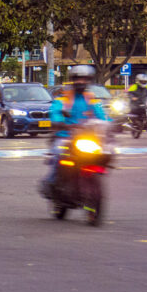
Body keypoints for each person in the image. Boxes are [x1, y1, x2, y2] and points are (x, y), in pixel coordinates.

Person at [41, 65, 107, 197]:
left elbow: (102, 116)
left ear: (89, 81)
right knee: (59, 155)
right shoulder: (64, 98)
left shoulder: (91, 99)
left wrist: (111, 124)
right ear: (73, 80)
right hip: (64, 137)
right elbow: (56, 111)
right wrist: (58, 121)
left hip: (86, 138)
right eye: (78, 79)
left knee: (103, 153)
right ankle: (51, 183)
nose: (81, 82)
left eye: (85, 79)